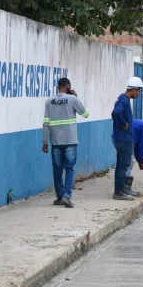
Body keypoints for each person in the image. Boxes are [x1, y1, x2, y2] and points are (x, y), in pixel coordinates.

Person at [42, 78, 89, 208]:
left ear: (58, 87)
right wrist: (75, 97)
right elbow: (85, 114)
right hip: (70, 141)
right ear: (68, 86)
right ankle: (67, 197)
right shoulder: (72, 99)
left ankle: (60, 196)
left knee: (57, 170)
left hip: (56, 141)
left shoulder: (49, 101)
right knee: (69, 169)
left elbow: (46, 123)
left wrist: (45, 141)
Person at [111, 76, 143, 201]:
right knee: (123, 166)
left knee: (121, 165)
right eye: (138, 91)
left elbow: (114, 113)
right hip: (124, 139)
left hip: (122, 138)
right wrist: (124, 124)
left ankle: (122, 188)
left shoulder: (122, 99)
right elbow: (116, 113)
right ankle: (119, 192)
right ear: (134, 89)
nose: (139, 93)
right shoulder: (124, 100)